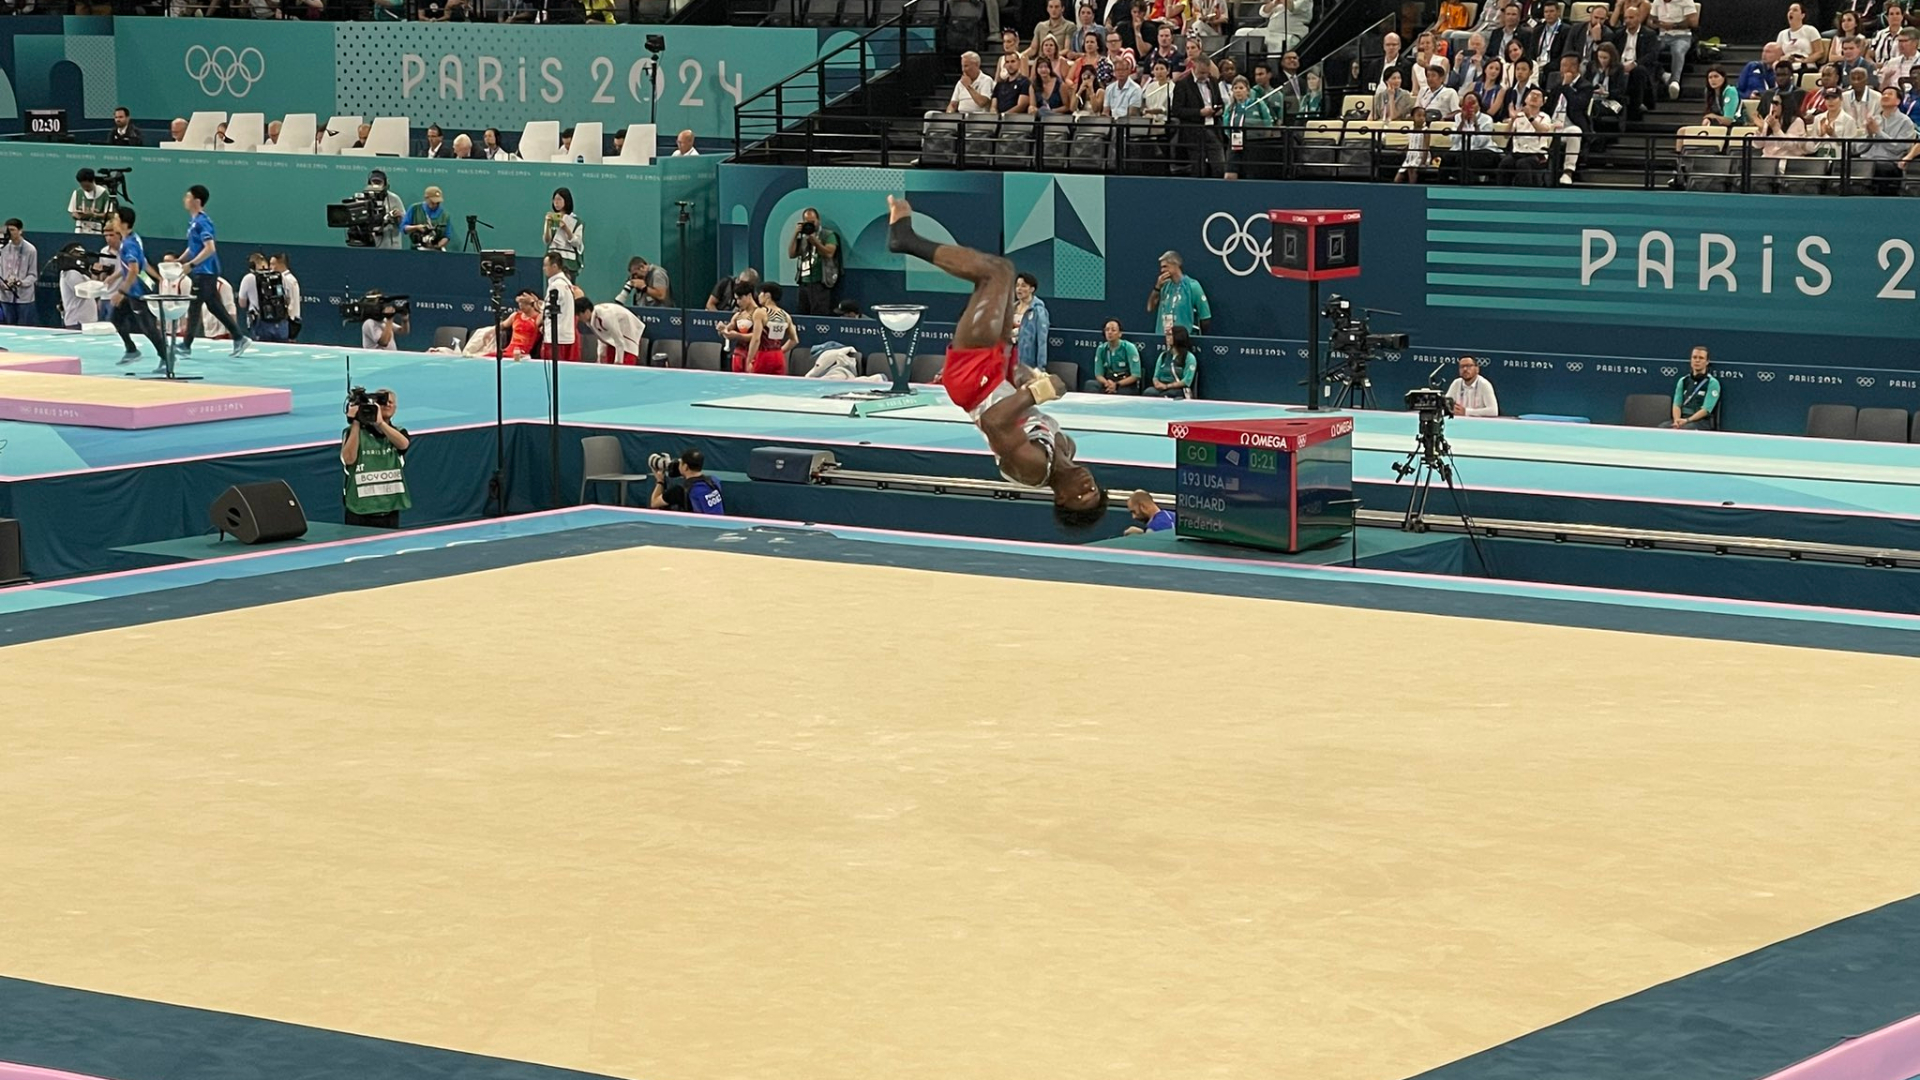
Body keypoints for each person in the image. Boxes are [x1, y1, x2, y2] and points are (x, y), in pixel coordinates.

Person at [884, 195, 1105, 529]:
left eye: (1083, 495)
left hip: (973, 385)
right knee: (1001, 272)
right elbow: (1019, 407)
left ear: (1061, 499)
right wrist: (1023, 377)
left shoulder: (1030, 469)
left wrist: (1040, 391)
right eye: (1096, 491)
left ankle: (906, 240)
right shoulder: (1066, 447)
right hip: (996, 376)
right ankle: (906, 239)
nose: (1090, 486)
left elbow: (993, 422)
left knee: (995, 273)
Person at [175, 185, 249, 357]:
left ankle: (187, 345)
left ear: (197, 201)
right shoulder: (193, 222)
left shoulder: (202, 222)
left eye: (188, 197)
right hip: (202, 270)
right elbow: (194, 247)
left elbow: (210, 248)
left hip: (205, 271)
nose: (184, 200)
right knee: (213, 306)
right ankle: (239, 337)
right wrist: (180, 260)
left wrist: (191, 265)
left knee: (195, 307)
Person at [103, 208, 169, 368]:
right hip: (132, 289)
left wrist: (121, 291)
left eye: (116, 219)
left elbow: (134, 270)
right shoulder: (134, 238)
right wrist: (115, 276)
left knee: (148, 328)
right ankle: (131, 350)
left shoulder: (128, 245)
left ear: (124, 223)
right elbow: (141, 263)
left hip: (136, 291)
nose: (114, 222)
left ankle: (167, 358)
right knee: (115, 318)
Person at [340, 389, 412, 529]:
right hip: (359, 511)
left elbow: (403, 444)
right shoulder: (352, 433)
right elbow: (349, 459)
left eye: (391, 402)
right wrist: (355, 422)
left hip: (389, 509)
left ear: (395, 408)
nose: (388, 404)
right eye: (383, 402)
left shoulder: (399, 432)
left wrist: (380, 423)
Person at [1146, 249, 1210, 334]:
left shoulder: (1192, 286)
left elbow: (1205, 317)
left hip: (1184, 341)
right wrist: (1157, 287)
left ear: (1175, 265)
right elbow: (1150, 308)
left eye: (1165, 266)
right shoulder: (1164, 286)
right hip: (1163, 339)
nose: (1162, 271)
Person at [790, 208, 840, 316]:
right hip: (804, 282)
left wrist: (815, 242)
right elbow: (791, 254)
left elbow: (829, 253)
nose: (811, 225)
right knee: (802, 313)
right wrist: (795, 234)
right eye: (807, 222)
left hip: (820, 282)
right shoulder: (803, 236)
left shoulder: (828, 235)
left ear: (818, 220)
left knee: (819, 313)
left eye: (813, 222)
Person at [236, 251, 294, 342]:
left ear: (252, 266)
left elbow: (242, 303)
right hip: (281, 322)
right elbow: (288, 299)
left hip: (260, 323)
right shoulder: (280, 276)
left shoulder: (248, 278)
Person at [650, 448, 725, 514]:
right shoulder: (714, 481)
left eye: (680, 463)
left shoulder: (679, 491)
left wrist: (660, 481)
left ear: (685, 467)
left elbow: (654, 503)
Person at [1662, 346, 1719, 429]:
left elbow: (1706, 410)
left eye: (1701, 358)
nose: (1697, 360)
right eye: (1694, 357)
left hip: (1701, 422)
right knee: (1663, 427)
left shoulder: (1712, 383)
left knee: (1686, 428)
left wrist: (1687, 420)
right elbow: (1676, 404)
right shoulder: (1683, 380)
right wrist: (1677, 420)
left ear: (1707, 362)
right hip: (1682, 419)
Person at [745, 282, 795, 375]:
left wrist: (749, 359)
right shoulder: (786, 315)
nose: (758, 296)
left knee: (758, 385)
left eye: (760, 293)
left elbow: (756, 339)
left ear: (767, 295)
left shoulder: (760, 313)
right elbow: (794, 340)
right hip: (779, 357)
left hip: (764, 356)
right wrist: (780, 351)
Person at [540, 251, 578, 361]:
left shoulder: (556, 285)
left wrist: (534, 304)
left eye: (545, 265)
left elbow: (547, 311)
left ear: (555, 266)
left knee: (553, 372)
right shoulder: (567, 284)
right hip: (566, 336)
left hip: (555, 337)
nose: (543, 268)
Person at [1086, 318, 1142, 393]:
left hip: (1124, 382)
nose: (1109, 332)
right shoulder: (1101, 349)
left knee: (1124, 392)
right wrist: (1107, 383)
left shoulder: (1129, 347)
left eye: (1113, 330)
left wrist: (1117, 384)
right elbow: (1098, 374)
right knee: (1090, 384)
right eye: (1107, 330)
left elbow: (1136, 375)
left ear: (1120, 333)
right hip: (1108, 381)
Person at [1145, 324, 1199, 398]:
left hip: (1179, 389)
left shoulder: (1189, 357)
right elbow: (1156, 376)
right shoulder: (1163, 356)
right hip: (1162, 387)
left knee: (1166, 395)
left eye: (1170, 335)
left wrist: (1167, 386)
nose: (1167, 338)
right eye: (1167, 335)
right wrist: (1157, 383)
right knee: (1148, 392)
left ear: (1179, 337)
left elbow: (1187, 381)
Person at [0, 220, 36, 326]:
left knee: (24, 327)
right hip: (5, 295)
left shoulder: (30, 250)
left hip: (23, 298)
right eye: (8, 230)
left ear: (20, 231)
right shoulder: (3, 249)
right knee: (8, 327)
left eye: (12, 230)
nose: (10, 233)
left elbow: (33, 274)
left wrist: (21, 283)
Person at [542, 188, 584, 277]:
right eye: (554, 200)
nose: (556, 202)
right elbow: (547, 240)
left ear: (567, 201)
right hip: (553, 261)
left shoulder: (575, 221)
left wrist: (566, 228)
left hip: (568, 263)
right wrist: (547, 224)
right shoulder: (551, 218)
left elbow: (577, 243)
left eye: (559, 199)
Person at [720, 280, 760, 372]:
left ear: (749, 296)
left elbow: (757, 336)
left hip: (753, 355)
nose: (738, 302)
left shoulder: (759, 314)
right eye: (736, 299)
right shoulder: (738, 315)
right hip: (738, 355)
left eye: (740, 299)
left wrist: (737, 336)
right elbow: (728, 330)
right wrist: (723, 329)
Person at [589, 300, 646, 365]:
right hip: (615, 335)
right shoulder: (592, 318)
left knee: (626, 367)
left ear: (586, 312)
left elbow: (619, 340)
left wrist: (619, 362)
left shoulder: (606, 317)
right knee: (608, 364)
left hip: (628, 329)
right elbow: (601, 336)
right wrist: (600, 355)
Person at [402, 186, 451, 251]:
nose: (435, 205)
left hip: (437, 251)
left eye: (438, 203)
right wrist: (416, 227)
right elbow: (404, 228)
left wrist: (436, 246)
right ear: (426, 198)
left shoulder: (445, 215)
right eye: (433, 202)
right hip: (417, 250)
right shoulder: (414, 209)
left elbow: (447, 236)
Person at [498, 290, 543, 359]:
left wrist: (536, 301)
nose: (521, 305)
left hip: (523, 353)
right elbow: (501, 326)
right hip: (508, 351)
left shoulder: (538, 317)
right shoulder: (515, 315)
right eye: (519, 303)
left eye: (524, 303)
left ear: (531, 303)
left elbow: (546, 312)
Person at [69, 169, 113, 237]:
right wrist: (79, 216)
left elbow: (110, 215)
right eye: (83, 186)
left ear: (93, 181)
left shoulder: (104, 194)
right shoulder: (77, 193)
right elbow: (73, 213)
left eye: (87, 186)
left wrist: (93, 215)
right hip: (80, 230)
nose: (85, 189)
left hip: (97, 231)